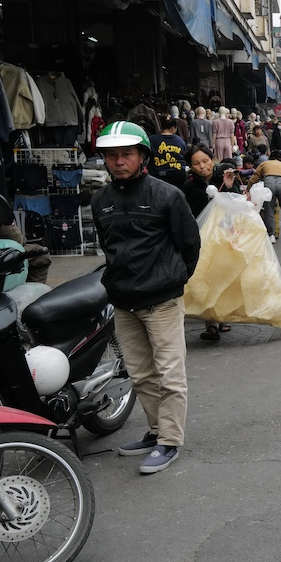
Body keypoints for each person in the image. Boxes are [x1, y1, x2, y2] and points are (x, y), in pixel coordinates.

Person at [91, 121, 200, 474]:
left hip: (161, 301)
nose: (118, 161)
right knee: (140, 375)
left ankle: (170, 440)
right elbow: (109, 247)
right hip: (123, 301)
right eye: (111, 156)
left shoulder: (167, 195)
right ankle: (155, 432)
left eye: (126, 154)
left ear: (142, 156)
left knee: (170, 374)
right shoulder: (100, 200)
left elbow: (189, 245)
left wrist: (172, 281)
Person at [181, 145, 238, 341]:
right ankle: (211, 324)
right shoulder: (188, 188)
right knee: (207, 278)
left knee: (224, 275)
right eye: (196, 163)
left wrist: (230, 188)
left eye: (205, 161)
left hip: (225, 235)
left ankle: (223, 316)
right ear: (190, 166)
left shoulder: (225, 178)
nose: (202, 166)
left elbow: (237, 204)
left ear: (212, 160)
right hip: (202, 239)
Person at [246, 150, 281, 244]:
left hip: (269, 182)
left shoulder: (264, 164)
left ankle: (271, 235)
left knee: (269, 210)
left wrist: (247, 190)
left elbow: (254, 178)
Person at [148, 116, 188, 187]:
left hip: (157, 175)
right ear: (173, 128)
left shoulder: (152, 139)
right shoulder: (180, 141)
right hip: (177, 175)